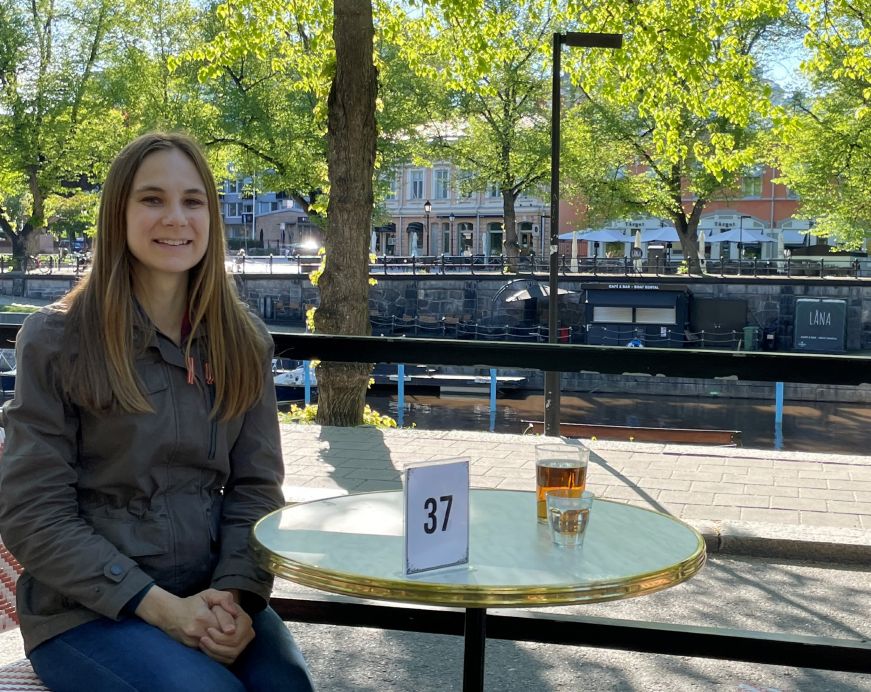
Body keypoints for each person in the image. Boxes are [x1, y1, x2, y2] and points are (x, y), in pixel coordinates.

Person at [0, 132, 314, 692]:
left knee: (287, 688)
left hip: (213, 590)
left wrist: (238, 593)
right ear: (117, 213)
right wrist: (160, 607)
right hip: (88, 609)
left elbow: (257, 491)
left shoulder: (242, 341)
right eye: (152, 199)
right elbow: (33, 513)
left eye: (193, 201)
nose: (176, 218)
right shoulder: (57, 340)